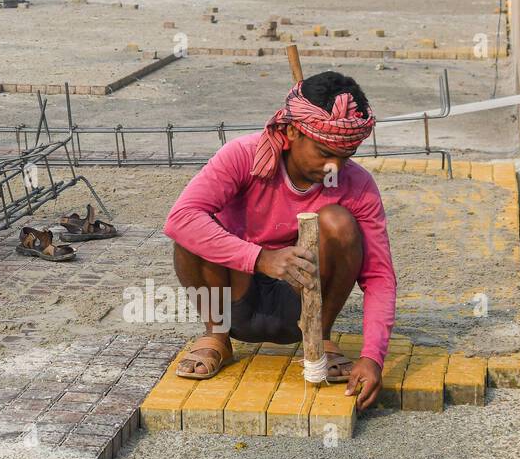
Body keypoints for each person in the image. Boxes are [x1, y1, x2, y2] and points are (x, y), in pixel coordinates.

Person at [162, 72, 393, 411]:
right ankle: (216, 336)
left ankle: (321, 340)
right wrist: (261, 258)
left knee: (338, 222)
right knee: (196, 225)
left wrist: (373, 356)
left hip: (302, 309)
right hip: (232, 297)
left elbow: (380, 277)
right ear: (291, 131)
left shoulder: (356, 184)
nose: (336, 166)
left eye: (346, 155)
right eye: (325, 152)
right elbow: (179, 219)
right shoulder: (242, 155)